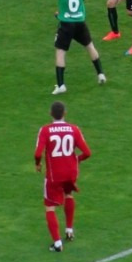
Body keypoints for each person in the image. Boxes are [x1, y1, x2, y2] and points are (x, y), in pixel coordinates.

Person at [38, 0, 106, 95]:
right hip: (80, 22)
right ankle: (101, 74)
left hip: (66, 24)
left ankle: (61, 85)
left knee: (60, 52)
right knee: (90, 46)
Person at [34, 100, 92, 252]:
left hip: (55, 174)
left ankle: (57, 243)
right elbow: (87, 152)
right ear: (65, 113)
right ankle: (69, 230)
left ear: (50, 114)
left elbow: (38, 153)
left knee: (50, 207)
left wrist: (38, 164)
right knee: (69, 194)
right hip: (71, 172)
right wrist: (77, 160)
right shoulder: (74, 129)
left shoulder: (45, 130)